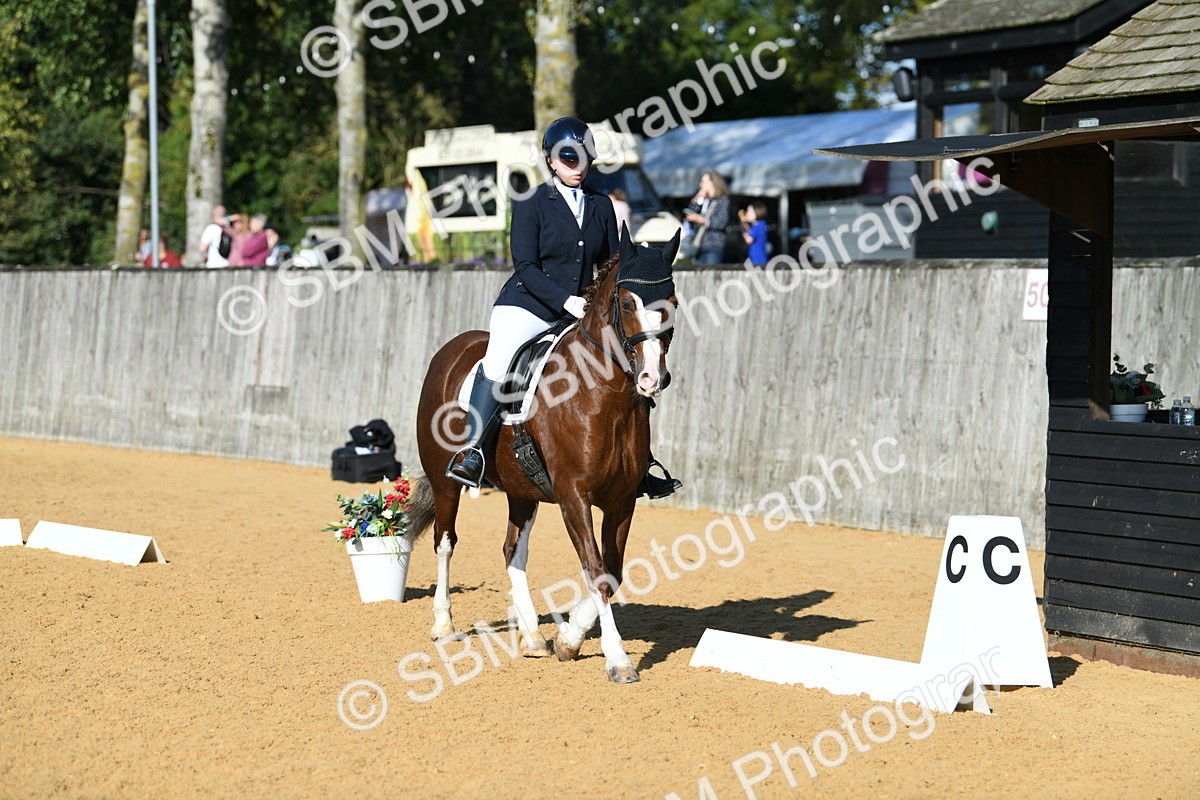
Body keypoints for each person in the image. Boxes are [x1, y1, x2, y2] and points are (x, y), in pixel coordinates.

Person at [446, 116, 681, 499]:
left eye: (584, 159)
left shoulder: (601, 205)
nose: (578, 167)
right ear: (552, 162)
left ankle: (638, 464)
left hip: (582, 312)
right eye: (569, 160)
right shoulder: (532, 203)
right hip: (529, 305)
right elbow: (525, 266)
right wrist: (564, 300)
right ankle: (472, 450)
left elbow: (613, 263)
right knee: (500, 360)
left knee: (626, 366)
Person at [683, 171, 730, 264]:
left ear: (712, 182)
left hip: (714, 245)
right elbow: (691, 211)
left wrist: (702, 220)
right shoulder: (704, 200)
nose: (701, 184)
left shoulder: (722, 200)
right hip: (699, 244)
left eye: (704, 181)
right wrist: (698, 197)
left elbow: (721, 222)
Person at [740, 201, 769, 266]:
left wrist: (743, 231)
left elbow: (749, 240)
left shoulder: (757, 225)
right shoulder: (761, 224)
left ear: (757, 212)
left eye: (749, 211)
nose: (746, 214)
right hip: (759, 257)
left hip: (757, 259)